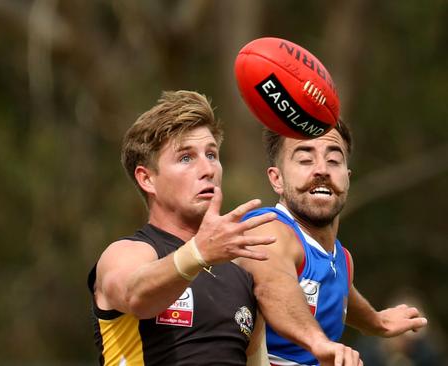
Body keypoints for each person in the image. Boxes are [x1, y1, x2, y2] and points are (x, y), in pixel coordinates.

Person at [87, 90, 362, 366]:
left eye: (212, 154)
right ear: (147, 179)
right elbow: (135, 295)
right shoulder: (127, 254)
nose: (208, 168)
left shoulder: (239, 275)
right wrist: (198, 253)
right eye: (186, 158)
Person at [237, 122, 429, 366]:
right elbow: (272, 286)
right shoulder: (266, 228)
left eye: (334, 161)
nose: (322, 170)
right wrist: (320, 343)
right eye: (305, 160)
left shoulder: (341, 258)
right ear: (277, 179)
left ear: (347, 179)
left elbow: (338, 288)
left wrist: (375, 322)